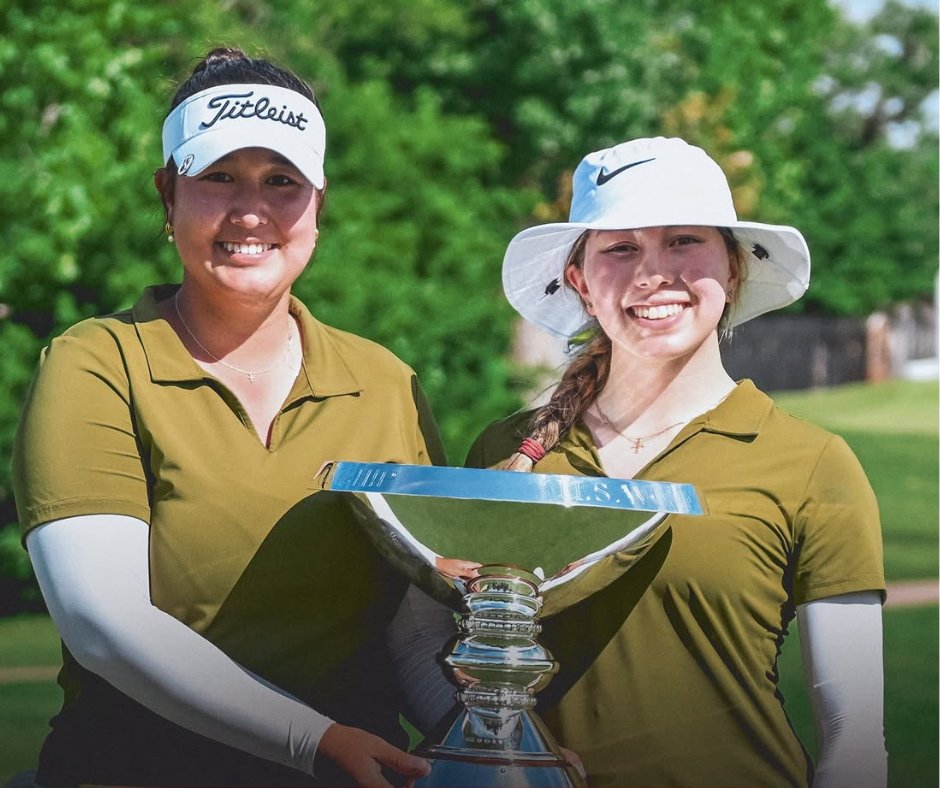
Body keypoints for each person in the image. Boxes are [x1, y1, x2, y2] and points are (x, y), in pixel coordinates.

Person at [12, 47, 444, 787]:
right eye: (218, 178)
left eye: (282, 181)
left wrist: (495, 744)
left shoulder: (384, 382)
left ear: (319, 203)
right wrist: (314, 740)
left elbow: (412, 631)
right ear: (167, 195)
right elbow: (103, 626)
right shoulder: (95, 364)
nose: (250, 212)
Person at [464, 137, 887, 788]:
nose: (652, 274)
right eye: (620, 248)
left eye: (684, 241)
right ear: (579, 278)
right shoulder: (507, 454)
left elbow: (855, 738)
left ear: (733, 267)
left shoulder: (813, 465)